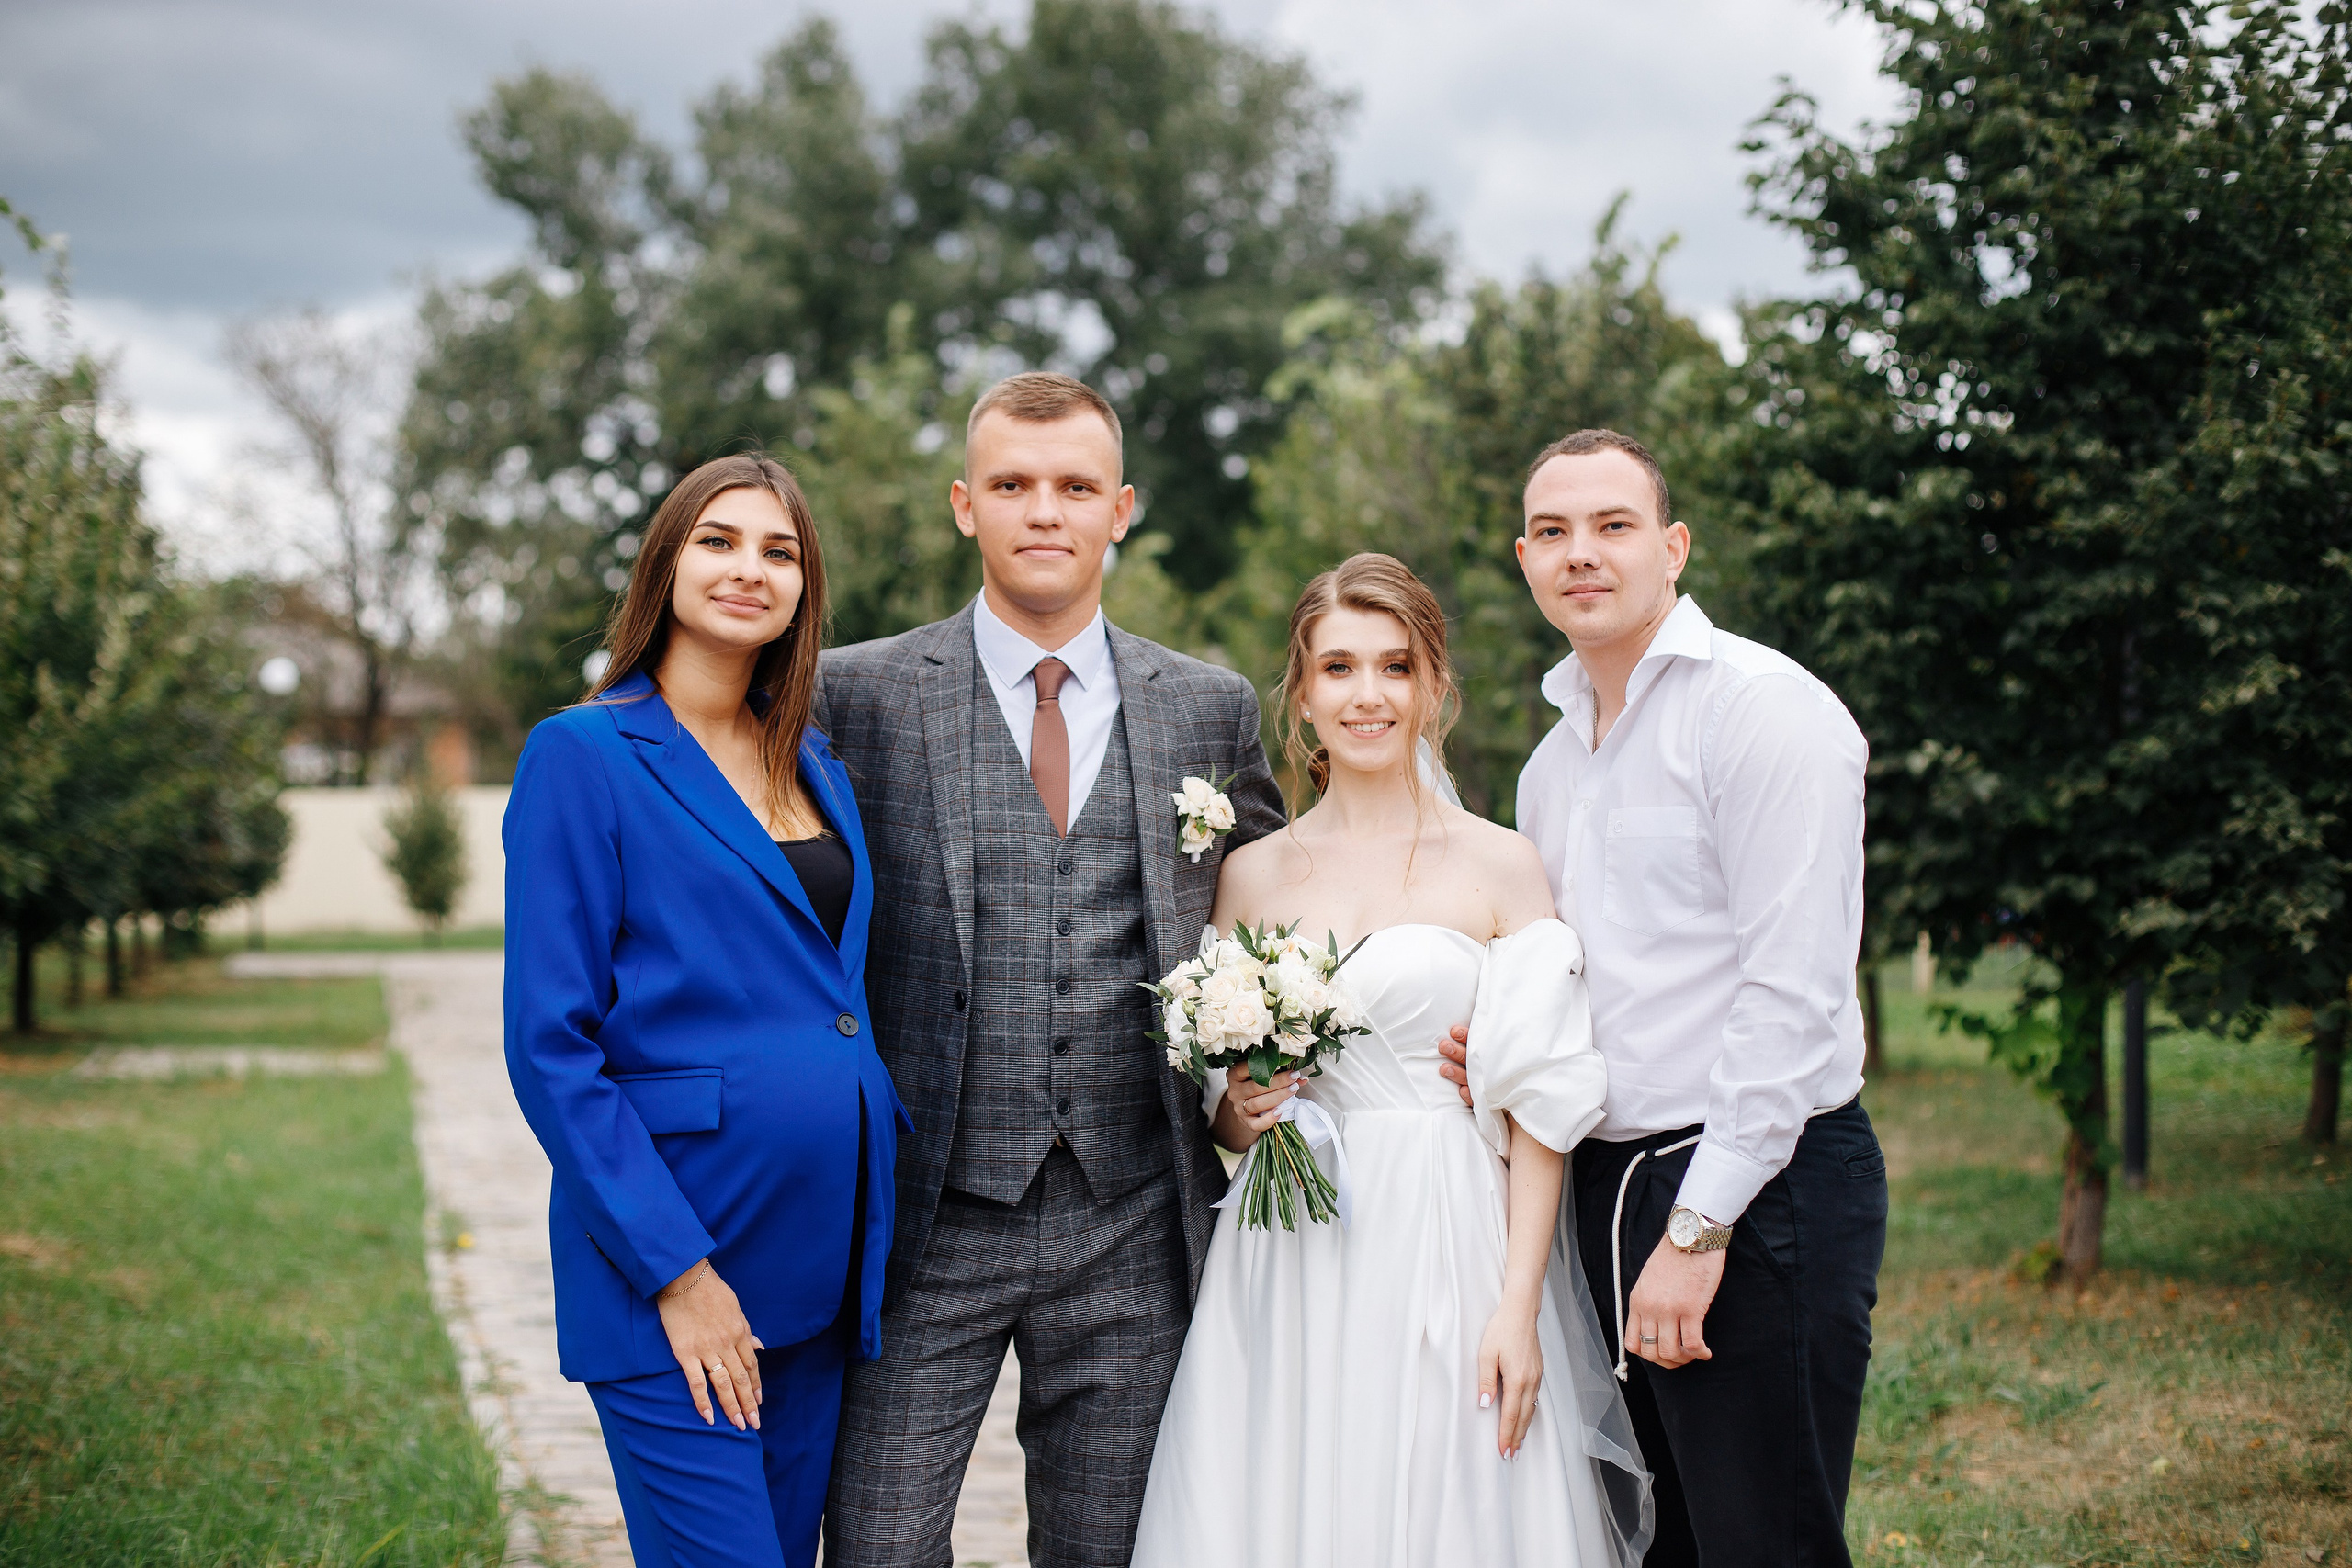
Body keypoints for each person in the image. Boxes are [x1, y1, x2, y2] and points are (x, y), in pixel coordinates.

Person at [817, 372, 1288, 1568]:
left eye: (1076, 486)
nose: (1044, 510)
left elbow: (1280, 907)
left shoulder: (1209, 707)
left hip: (1132, 1213)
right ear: (964, 504)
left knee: (1108, 1549)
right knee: (877, 1542)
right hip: (926, 1211)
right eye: (1013, 485)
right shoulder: (855, 693)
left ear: (1120, 509)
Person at [1132, 553, 1649, 1568]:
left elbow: (1539, 1108)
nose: (1367, 695)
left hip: (1450, 1228)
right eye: (1338, 668)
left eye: (1395, 666)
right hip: (1289, 1248)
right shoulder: (1250, 874)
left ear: (1432, 687)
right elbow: (1225, 1117)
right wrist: (1243, 1104)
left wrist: (1518, 1305)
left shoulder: (1500, 862)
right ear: (1301, 694)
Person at [1441, 429, 1885, 1567]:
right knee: (1656, 1544)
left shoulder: (1761, 709)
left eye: (1613, 525)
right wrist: (1498, 1050)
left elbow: (1792, 995)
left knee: (1765, 1541)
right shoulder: (1552, 767)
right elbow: (1584, 980)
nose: (1580, 553)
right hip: (1605, 1192)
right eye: (1551, 532)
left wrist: (1699, 1227)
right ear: (1525, 560)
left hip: (1754, 1187)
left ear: (1673, 547)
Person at [503, 454, 908, 1568]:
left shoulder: (813, 764)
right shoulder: (582, 755)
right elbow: (549, 1047)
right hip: (677, 1260)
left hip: (818, 1266)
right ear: (665, 564)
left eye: (780, 552)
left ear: (804, 589)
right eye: (718, 541)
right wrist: (679, 1275)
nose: (749, 569)